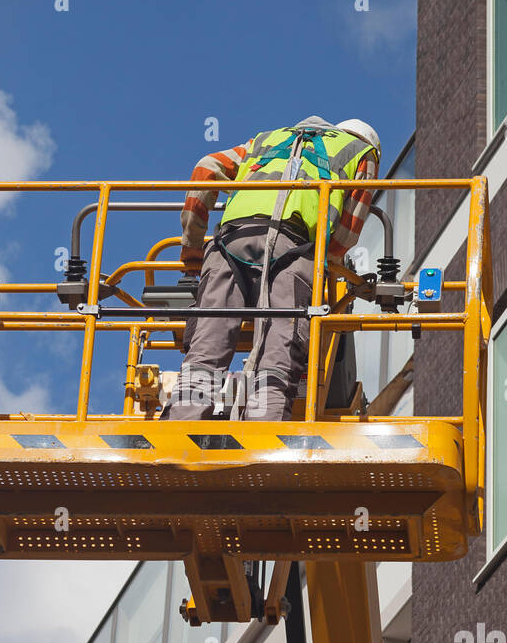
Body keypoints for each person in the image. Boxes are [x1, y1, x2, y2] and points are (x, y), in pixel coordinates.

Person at [159, 115, 380, 421]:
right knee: (278, 356)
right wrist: (328, 269)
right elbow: (345, 235)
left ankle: (180, 426)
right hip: (292, 250)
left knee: (206, 350)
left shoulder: (266, 140)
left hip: (230, 242)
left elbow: (205, 168)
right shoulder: (361, 152)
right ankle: (263, 431)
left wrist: (194, 249)